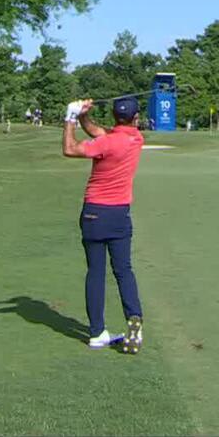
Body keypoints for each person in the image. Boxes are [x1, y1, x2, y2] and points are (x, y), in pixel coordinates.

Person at [61, 95, 146, 353]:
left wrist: (70, 117)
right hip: (119, 215)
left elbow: (70, 148)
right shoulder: (135, 139)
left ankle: (97, 333)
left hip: (94, 214)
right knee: (123, 270)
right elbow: (99, 132)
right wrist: (84, 116)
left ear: (114, 117)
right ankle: (134, 317)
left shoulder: (106, 142)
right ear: (136, 119)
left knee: (95, 272)